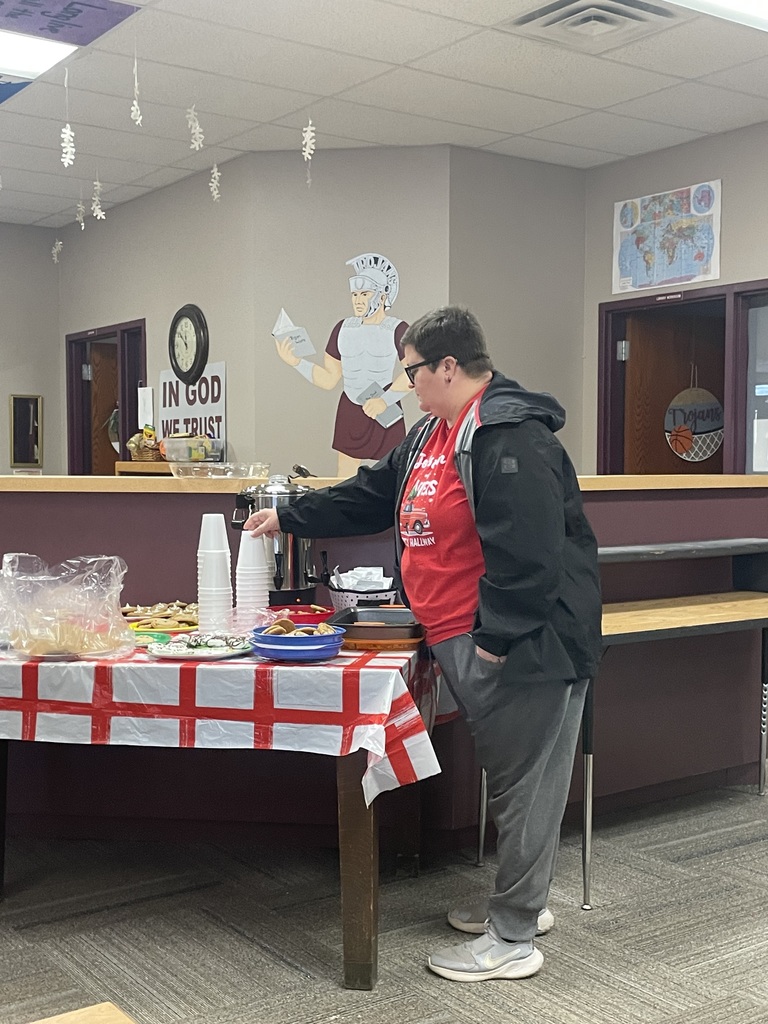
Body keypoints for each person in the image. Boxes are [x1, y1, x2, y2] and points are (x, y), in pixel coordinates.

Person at [247, 306, 602, 983]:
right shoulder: (433, 435)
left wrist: (495, 641)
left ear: (448, 366)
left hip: (525, 642)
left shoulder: (507, 435)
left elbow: (531, 553)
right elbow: (370, 497)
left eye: (413, 371)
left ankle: (514, 938)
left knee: (528, 784)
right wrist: (289, 513)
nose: (407, 384)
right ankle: (517, 905)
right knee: (511, 775)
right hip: (464, 635)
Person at [275, 252, 412, 478]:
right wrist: (296, 362)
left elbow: (413, 372)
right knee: (345, 479)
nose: (358, 300)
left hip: (384, 407)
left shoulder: (397, 329)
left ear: (381, 295)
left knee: (391, 476)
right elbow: (329, 379)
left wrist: (384, 400)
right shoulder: (342, 329)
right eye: (355, 294)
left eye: (365, 293)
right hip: (351, 406)